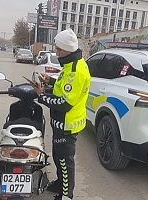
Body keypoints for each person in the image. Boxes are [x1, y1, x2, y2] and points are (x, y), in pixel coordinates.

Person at [31, 28, 91, 200]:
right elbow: (65, 85)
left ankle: (66, 195)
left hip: (68, 124)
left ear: (68, 49)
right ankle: (60, 183)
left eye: (59, 49)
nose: (56, 52)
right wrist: (50, 80)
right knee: (58, 157)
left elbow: (65, 103)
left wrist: (41, 95)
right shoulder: (70, 64)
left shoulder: (76, 70)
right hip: (61, 123)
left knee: (65, 161)